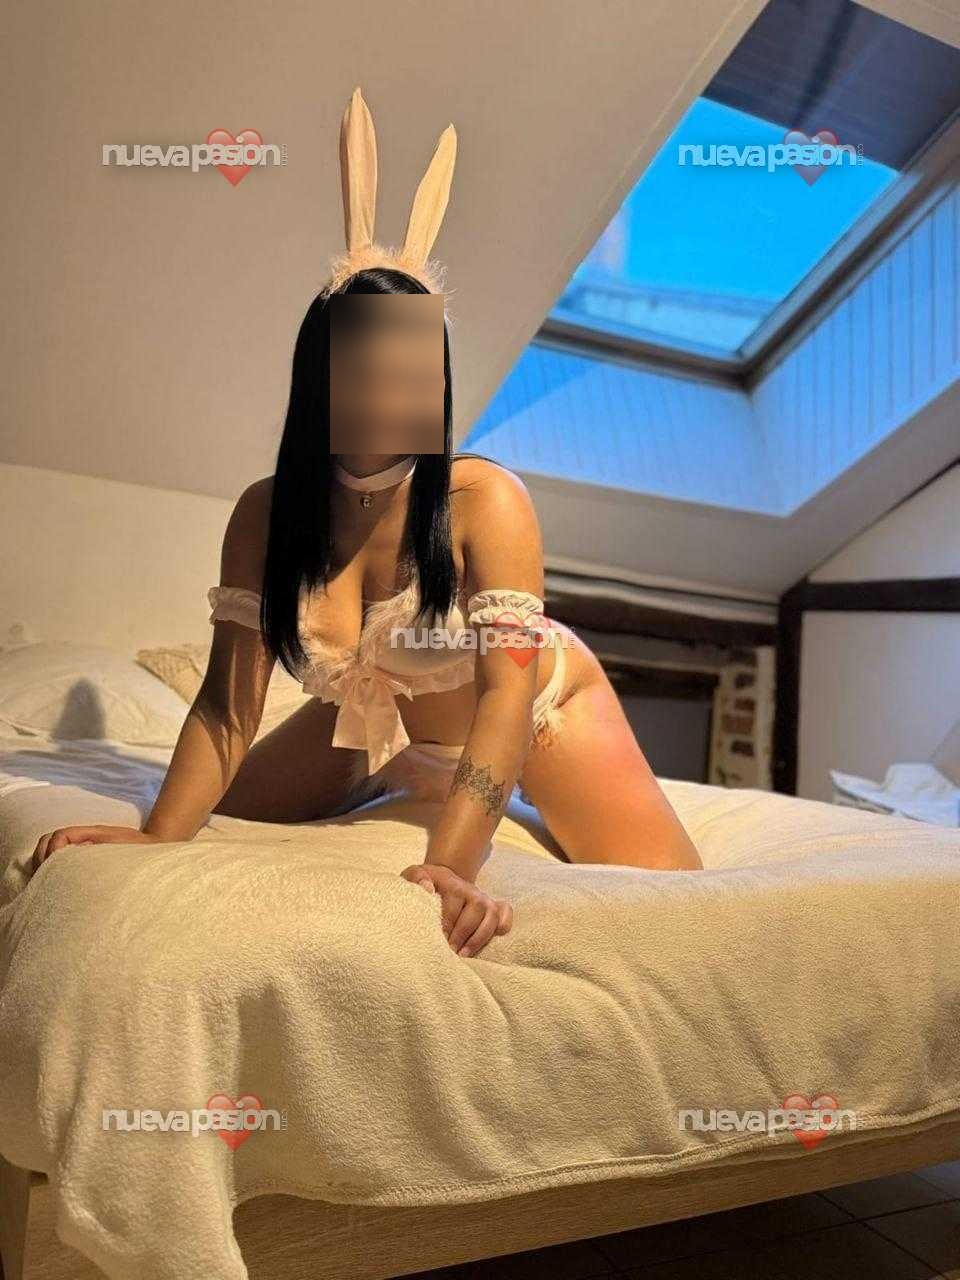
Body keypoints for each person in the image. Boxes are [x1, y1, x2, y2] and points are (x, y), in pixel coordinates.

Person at [31, 89, 703, 957]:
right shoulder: (266, 512)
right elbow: (228, 703)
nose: (389, 396)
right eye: (365, 371)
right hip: (373, 709)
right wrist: (158, 837)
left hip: (532, 702)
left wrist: (451, 866)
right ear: (318, 377)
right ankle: (408, 762)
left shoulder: (483, 499)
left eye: (412, 373)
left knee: (672, 898)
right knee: (226, 811)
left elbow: (503, 698)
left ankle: (428, 769)